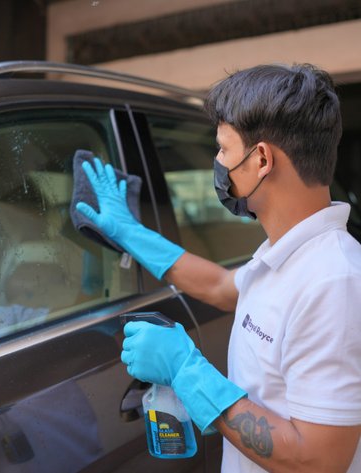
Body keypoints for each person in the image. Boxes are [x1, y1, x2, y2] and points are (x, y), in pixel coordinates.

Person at [76, 63, 361, 472]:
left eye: (224, 149)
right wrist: (130, 233)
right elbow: (221, 286)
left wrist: (186, 373)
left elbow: (319, 461)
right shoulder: (285, 255)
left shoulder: (334, 281)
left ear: (261, 159)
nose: (219, 162)